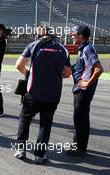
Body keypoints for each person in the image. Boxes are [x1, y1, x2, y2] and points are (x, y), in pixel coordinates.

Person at [14, 26, 71, 164]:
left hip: (33, 92)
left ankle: (20, 149)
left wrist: (29, 74)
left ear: (39, 35)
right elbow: (67, 74)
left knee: (25, 119)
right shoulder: (63, 49)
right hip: (53, 93)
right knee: (45, 124)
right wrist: (54, 75)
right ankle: (40, 155)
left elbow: (18, 65)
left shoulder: (33, 45)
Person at [66, 26, 103, 156]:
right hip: (80, 88)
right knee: (79, 118)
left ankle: (80, 148)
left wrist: (87, 82)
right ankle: (78, 145)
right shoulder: (84, 49)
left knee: (80, 118)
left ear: (80, 36)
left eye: (74, 35)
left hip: (83, 90)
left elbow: (99, 69)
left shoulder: (88, 49)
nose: (72, 37)